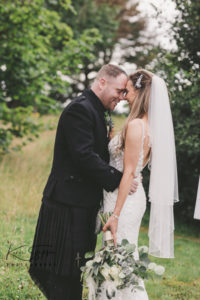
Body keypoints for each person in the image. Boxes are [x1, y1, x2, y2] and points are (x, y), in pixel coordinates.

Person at [28, 64, 138, 300]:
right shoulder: (80, 109)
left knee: (73, 269)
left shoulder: (96, 109)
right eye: (119, 91)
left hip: (81, 204)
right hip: (66, 205)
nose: (121, 97)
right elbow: (83, 156)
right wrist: (119, 180)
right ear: (102, 83)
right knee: (61, 270)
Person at [100, 69, 179, 299]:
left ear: (141, 91)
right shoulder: (146, 125)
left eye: (128, 90)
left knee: (118, 261)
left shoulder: (136, 126)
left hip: (123, 201)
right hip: (128, 195)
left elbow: (129, 172)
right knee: (117, 260)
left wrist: (115, 215)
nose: (124, 95)